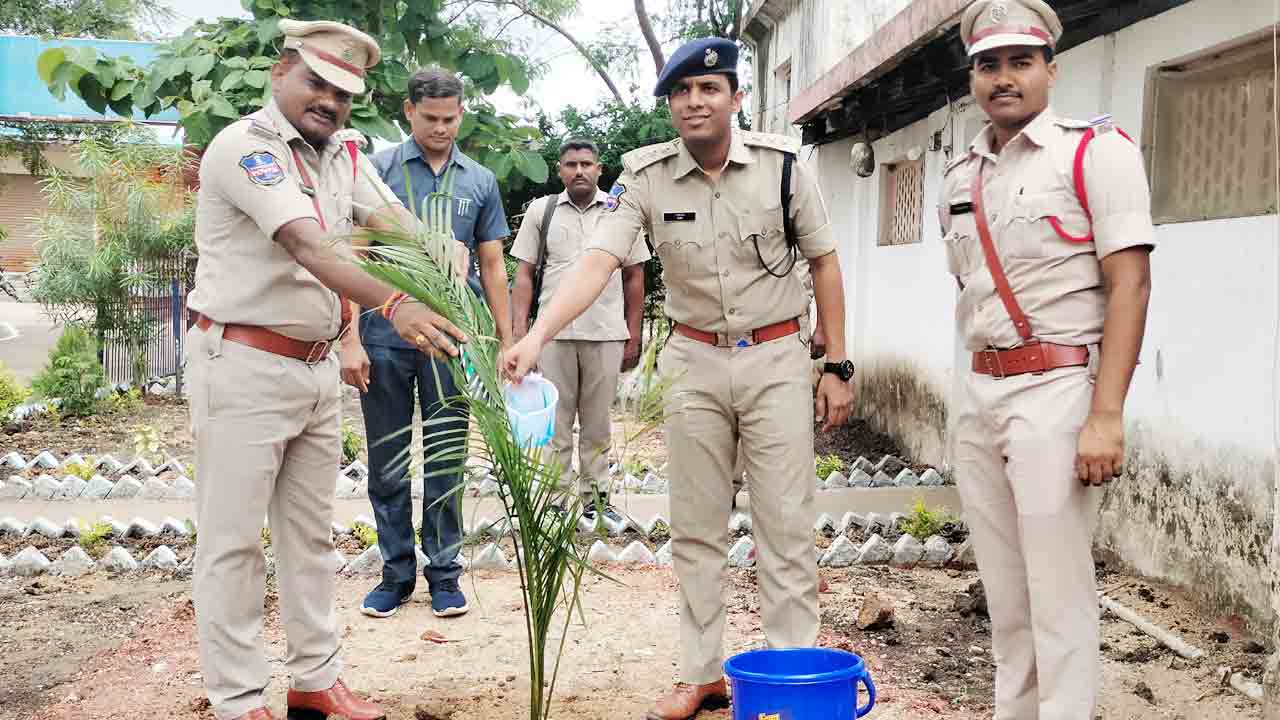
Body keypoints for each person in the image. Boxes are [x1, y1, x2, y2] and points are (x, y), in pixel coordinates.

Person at [502, 37, 855, 720]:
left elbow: (826, 263)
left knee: (785, 524)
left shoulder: (784, 170)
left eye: (709, 89)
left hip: (778, 359)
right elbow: (598, 262)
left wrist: (836, 364)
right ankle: (702, 675)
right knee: (696, 530)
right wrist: (536, 336)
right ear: (669, 105)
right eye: (682, 93)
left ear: (735, 98)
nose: (695, 101)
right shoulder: (647, 178)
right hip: (693, 362)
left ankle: (788, 676)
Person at [186, 19, 467, 720]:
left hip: (313, 370)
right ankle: (237, 699)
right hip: (243, 362)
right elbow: (309, 246)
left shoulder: (340, 152)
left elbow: (392, 219)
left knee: (311, 537)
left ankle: (315, 678)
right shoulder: (247, 149)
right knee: (233, 543)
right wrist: (397, 302)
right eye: (316, 81)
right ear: (281, 72)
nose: (330, 100)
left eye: (343, 92)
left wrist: (440, 251)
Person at [941, 1, 1154, 717]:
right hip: (981, 395)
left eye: (1019, 62)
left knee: (1058, 599)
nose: (1003, 78)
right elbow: (968, 291)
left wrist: (1106, 415)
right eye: (988, 64)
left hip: (1059, 391)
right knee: (1006, 598)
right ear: (974, 76)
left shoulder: (1096, 151)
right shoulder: (959, 175)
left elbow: (1131, 283)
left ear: (1051, 70)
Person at [341, 67, 512, 621]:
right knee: (387, 461)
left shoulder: (480, 180)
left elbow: (492, 266)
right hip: (385, 337)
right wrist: (351, 338)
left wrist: (503, 342)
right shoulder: (376, 172)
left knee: (447, 459)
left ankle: (444, 574)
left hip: (454, 340)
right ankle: (394, 575)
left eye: (452, 118)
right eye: (431, 118)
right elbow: (354, 259)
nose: (442, 128)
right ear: (410, 113)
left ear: (462, 113)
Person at [509, 137, 649, 524]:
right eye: (571, 165)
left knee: (598, 423)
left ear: (599, 169)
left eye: (587, 164)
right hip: (552, 337)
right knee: (555, 424)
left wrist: (632, 334)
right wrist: (523, 333)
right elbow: (522, 276)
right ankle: (554, 503)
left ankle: (596, 501)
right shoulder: (544, 211)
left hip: (605, 333)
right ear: (560, 171)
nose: (580, 171)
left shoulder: (620, 212)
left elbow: (635, 276)